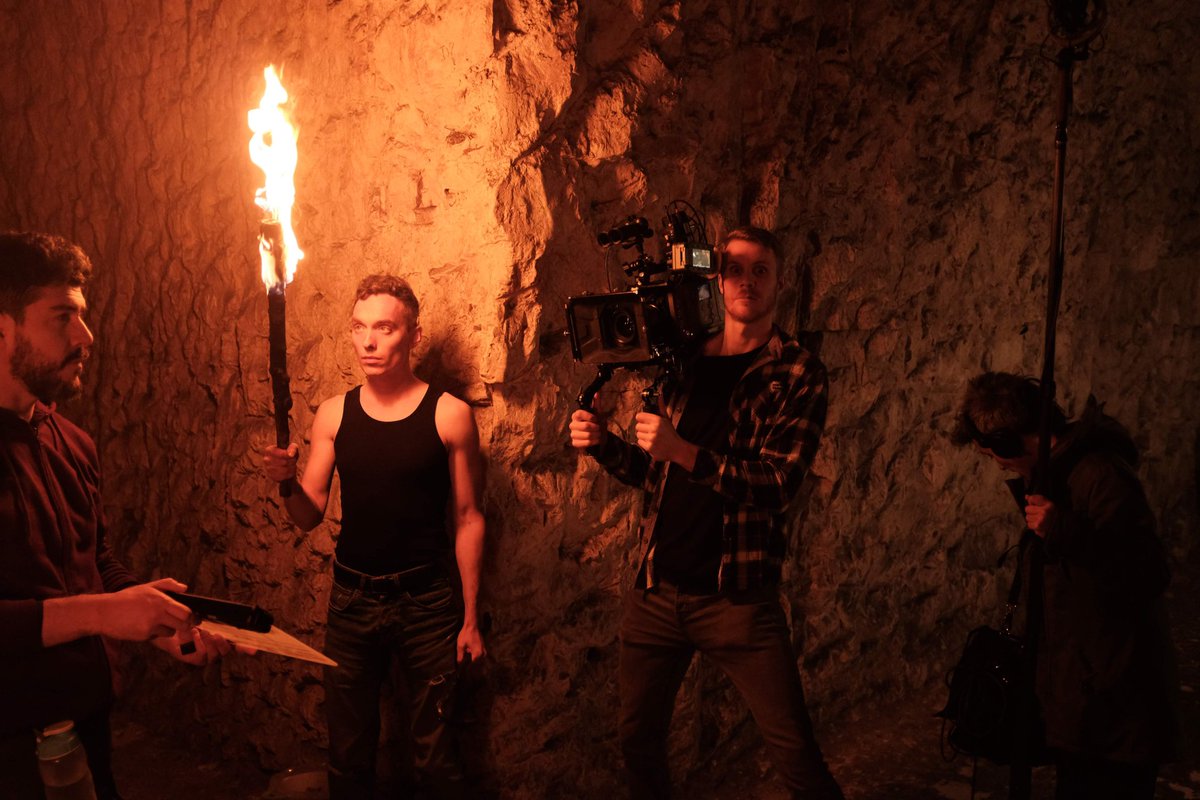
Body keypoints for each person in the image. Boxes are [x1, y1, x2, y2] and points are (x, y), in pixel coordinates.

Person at [569, 226, 843, 799]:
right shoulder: (686, 361)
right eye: (735, 269)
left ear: (778, 281)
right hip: (656, 589)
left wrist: (684, 452)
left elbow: (777, 485)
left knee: (794, 752)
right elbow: (656, 476)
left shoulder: (797, 372)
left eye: (760, 270)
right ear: (717, 280)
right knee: (637, 743)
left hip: (738, 598)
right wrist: (603, 445)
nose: (746, 281)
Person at [0, 232, 232, 800]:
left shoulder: (71, 442)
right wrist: (104, 612)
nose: (87, 336)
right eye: (62, 318)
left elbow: (94, 560)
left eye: (82, 315)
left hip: (82, 726)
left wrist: (158, 622)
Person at [262, 274, 486, 799]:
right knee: (348, 753)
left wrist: (470, 618)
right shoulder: (335, 414)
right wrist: (286, 482)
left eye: (384, 328)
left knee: (436, 759)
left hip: (427, 602)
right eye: (359, 328)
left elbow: (469, 516)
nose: (368, 341)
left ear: (412, 334)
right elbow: (308, 515)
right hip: (352, 601)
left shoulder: (449, 414)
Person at [953, 371, 1180, 800]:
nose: (998, 464)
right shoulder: (1055, 473)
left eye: (995, 455)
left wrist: (1064, 529)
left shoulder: (1101, 476)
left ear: (1014, 440)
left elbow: (1148, 572)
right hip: (1082, 698)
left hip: (1117, 703)